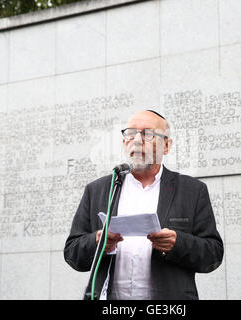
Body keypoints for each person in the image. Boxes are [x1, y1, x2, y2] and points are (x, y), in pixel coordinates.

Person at [64, 109, 224, 300]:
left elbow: (213, 255)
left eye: (147, 134)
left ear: (166, 145)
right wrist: (98, 242)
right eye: (130, 133)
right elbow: (72, 253)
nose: (137, 140)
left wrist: (177, 243)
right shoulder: (98, 189)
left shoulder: (192, 190)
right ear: (124, 142)